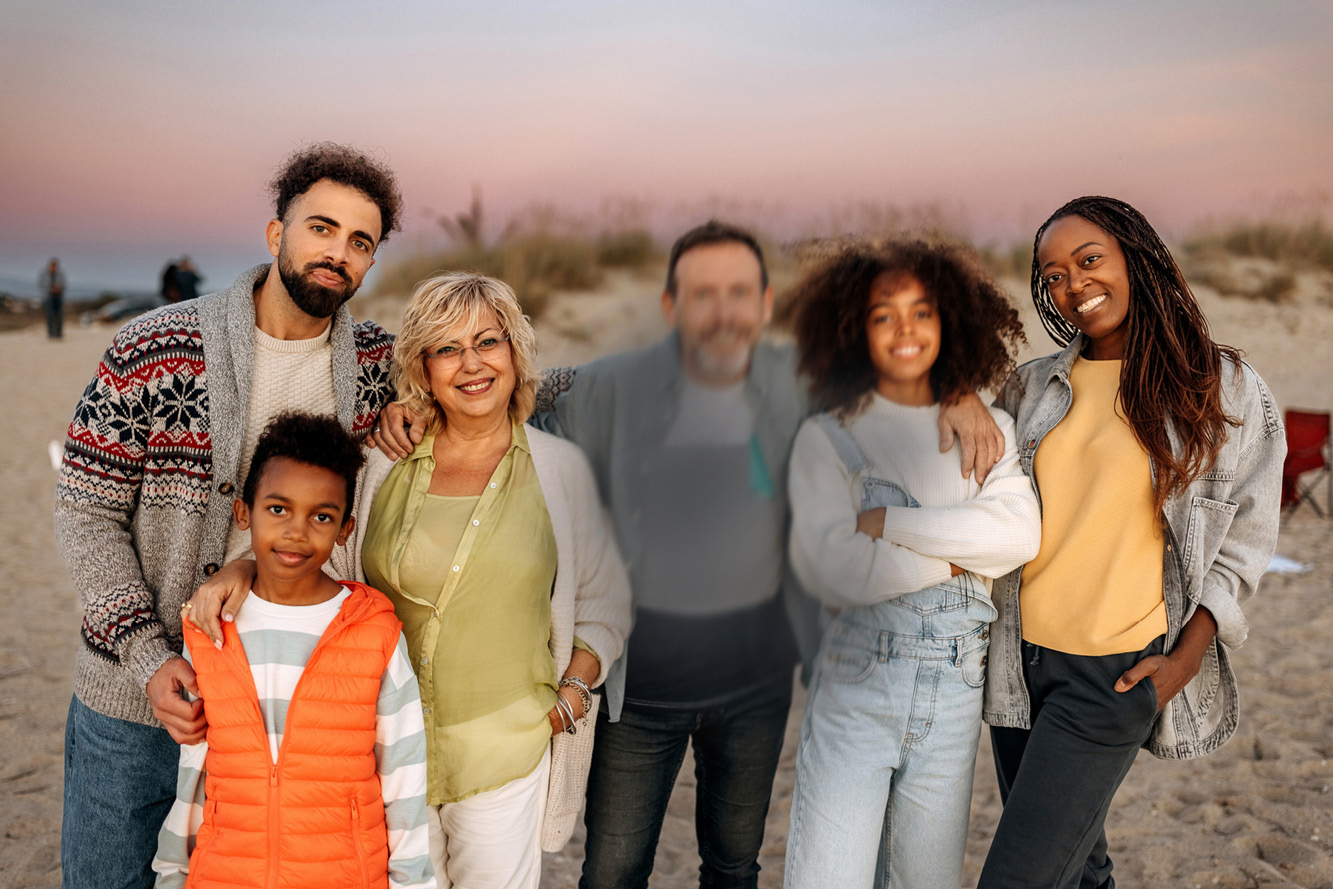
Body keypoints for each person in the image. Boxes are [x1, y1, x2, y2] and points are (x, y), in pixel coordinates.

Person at [373, 220, 1008, 889]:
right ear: (671, 306)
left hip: (755, 691)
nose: (721, 310)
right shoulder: (605, 390)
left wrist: (959, 388)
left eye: (738, 292)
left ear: (763, 304)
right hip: (636, 694)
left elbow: (893, 365)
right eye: (702, 293)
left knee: (732, 866)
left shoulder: (796, 387)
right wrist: (411, 411)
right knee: (613, 870)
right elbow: (510, 408)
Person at [189, 273, 632, 889]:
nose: (471, 364)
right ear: (423, 367)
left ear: (515, 354)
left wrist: (569, 700)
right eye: (447, 348)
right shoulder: (379, 464)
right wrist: (243, 564)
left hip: (506, 753)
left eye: (488, 342)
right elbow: (325, 557)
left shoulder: (562, 471)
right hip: (383, 754)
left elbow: (605, 601)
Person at [54, 141, 403, 889]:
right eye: (320, 228)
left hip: (282, 715)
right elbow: (86, 513)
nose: (336, 253)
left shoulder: (379, 367)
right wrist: (149, 659)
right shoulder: (153, 348)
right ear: (276, 234)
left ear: (370, 262)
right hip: (135, 703)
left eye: (359, 241)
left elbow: (500, 377)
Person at [979, 196, 1286, 888]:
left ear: (1134, 259)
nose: (1072, 285)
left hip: (1111, 678)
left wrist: (1187, 653)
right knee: (1078, 869)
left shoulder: (1220, 385)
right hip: (1018, 665)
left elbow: (1246, 537)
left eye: (1089, 260)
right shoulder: (1029, 387)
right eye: (1052, 274)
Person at [781, 239, 1040, 888]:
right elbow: (834, 568)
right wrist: (957, 561)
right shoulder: (827, 436)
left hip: (956, 690)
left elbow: (1017, 535)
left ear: (948, 319)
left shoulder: (990, 431)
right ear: (852, 330)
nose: (905, 330)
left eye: (922, 311)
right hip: (855, 682)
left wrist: (891, 525)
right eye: (882, 314)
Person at [152, 413, 435, 889]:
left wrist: (411, 882)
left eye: (321, 516)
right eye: (278, 509)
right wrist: (174, 873)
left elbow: (405, 774)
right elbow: (195, 774)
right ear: (244, 513)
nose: (296, 531)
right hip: (226, 874)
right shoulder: (208, 628)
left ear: (345, 529)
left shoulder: (375, 632)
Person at [40, 257, 66, 338]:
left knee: (59, 315)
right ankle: (50, 334)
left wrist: (59, 289)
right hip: (49, 297)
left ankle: (59, 334)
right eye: (52, 266)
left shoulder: (60, 275)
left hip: (58, 297)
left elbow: (64, 285)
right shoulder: (44, 275)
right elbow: (42, 285)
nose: (53, 268)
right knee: (50, 315)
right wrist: (50, 289)